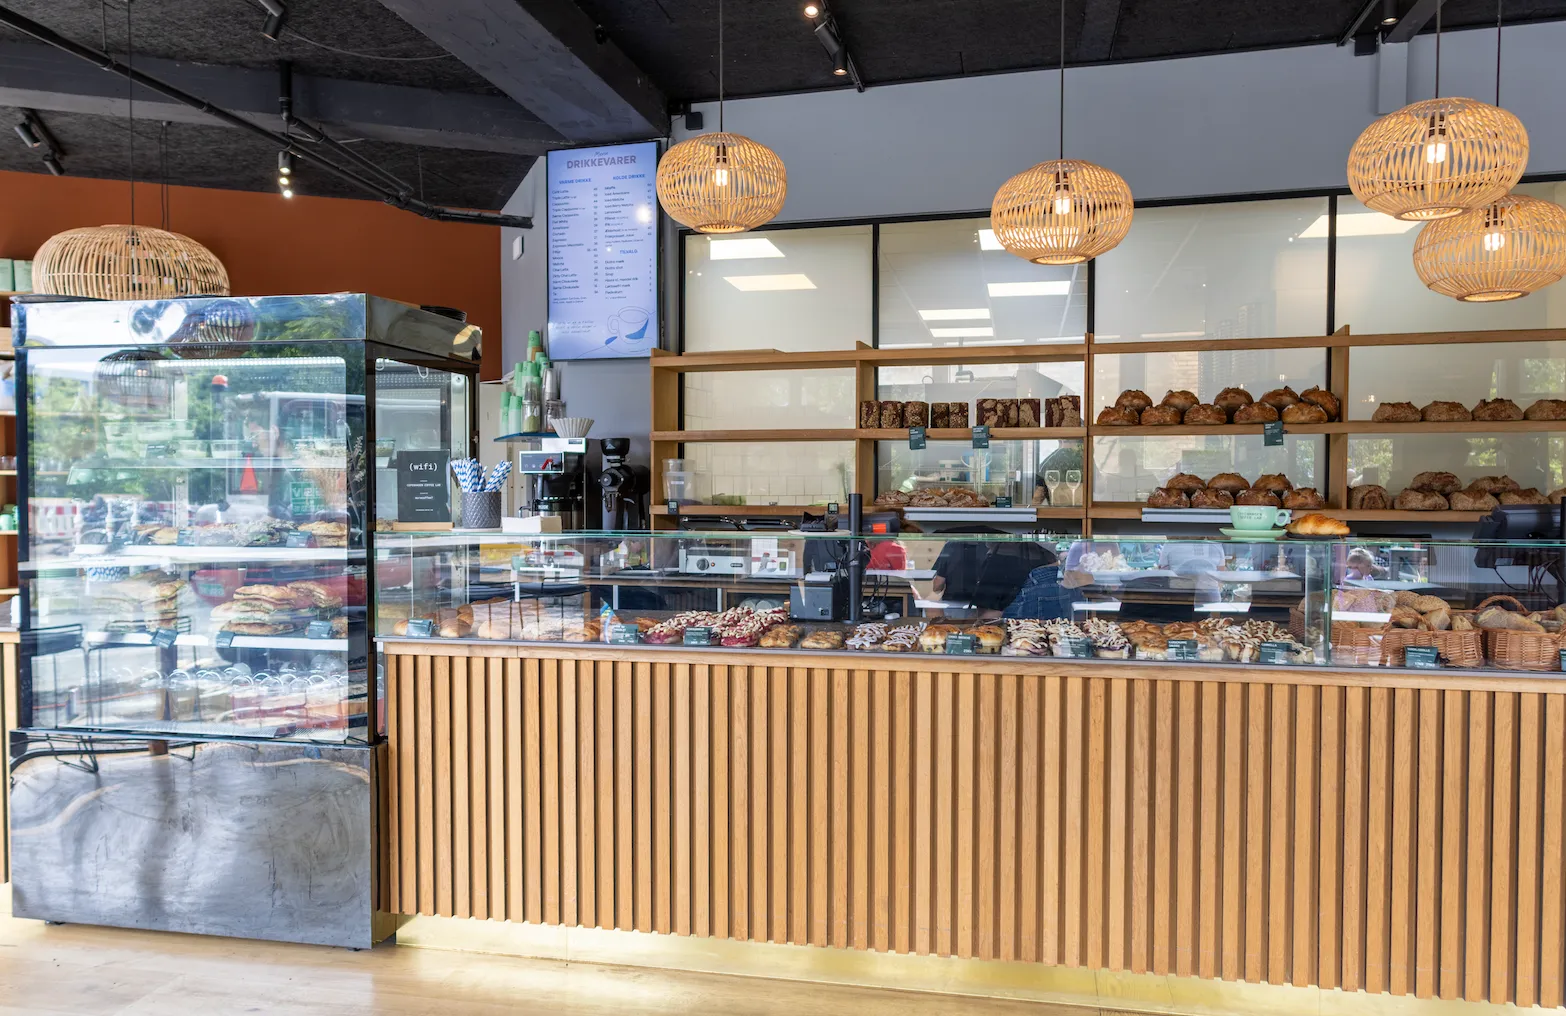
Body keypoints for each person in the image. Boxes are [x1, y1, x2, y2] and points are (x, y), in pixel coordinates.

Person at [1000, 545, 1075, 621]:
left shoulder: (1028, 586)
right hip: (1062, 629)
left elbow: (1005, 621)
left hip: (1027, 629)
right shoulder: (1068, 583)